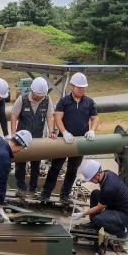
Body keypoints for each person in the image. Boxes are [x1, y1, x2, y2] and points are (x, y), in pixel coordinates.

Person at [40, 72, 99, 203]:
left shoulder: (89, 102)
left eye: (83, 87)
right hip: (64, 140)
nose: (81, 89)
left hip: (79, 143)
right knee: (55, 167)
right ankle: (45, 193)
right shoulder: (64, 101)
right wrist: (65, 132)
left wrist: (92, 130)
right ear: (72, 86)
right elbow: (58, 117)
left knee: (72, 170)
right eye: (79, 87)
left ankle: (65, 195)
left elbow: (95, 118)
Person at [9, 76, 54, 197]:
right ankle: (21, 187)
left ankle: (33, 188)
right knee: (20, 164)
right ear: (32, 91)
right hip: (21, 138)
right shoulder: (22, 99)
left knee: (36, 164)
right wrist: (13, 133)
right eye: (37, 95)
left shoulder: (47, 100)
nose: (39, 98)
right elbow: (14, 115)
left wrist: (51, 131)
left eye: (41, 96)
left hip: (37, 138)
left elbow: (50, 117)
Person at [71, 160, 128, 237]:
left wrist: (82, 213)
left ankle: (122, 231)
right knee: (95, 193)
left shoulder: (108, 188)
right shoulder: (106, 173)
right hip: (115, 205)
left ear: (97, 174)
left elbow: (99, 208)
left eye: (91, 179)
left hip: (125, 214)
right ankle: (95, 224)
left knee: (98, 219)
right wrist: (84, 180)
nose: (91, 181)